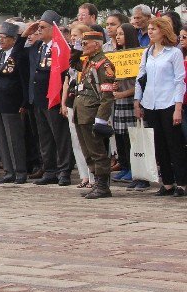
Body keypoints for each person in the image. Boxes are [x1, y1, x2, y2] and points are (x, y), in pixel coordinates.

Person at [134, 15, 187, 196]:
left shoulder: (174, 53)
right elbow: (140, 78)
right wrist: (137, 101)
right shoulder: (147, 52)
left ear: (163, 31)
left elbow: (180, 81)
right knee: (159, 144)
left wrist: (178, 107)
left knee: (174, 143)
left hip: (169, 102)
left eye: (154, 29)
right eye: (149, 29)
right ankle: (167, 182)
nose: (150, 32)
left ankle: (181, 182)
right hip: (151, 103)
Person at [25, 11, 74, 187]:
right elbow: (20, 51)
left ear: (54, 29)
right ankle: (50, 170)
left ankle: (64, 171)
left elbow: (66, 75)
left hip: (54, 98)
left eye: (43, 27)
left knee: (60, 136)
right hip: (39, 98)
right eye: (38, 27)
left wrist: (63, 100)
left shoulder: (60, 47)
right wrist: (27, 32)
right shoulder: (39, 47)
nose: (39, 30)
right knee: (44, 137)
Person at [71, 28, 117, 199]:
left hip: (92, 113)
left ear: (97, 45)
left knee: (97, 151)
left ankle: (103, 186)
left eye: (85, 43)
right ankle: (97, 183)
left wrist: (101, 119)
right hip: (81, 111)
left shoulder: (103, 64)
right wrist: (76, 47)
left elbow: (107, 95)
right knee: (87, 151)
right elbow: (72, 62)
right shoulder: (88, 62)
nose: (82, 46)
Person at [0, 22, 29, 184]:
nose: (2, 40)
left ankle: (20, 171)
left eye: (5, 38)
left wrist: (24, 102)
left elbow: (24, 80)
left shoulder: (19, 54)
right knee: (2, 138)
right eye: (0, 37)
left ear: (14, 40)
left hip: (13, 101)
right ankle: (8, 170)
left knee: (14, 138)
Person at [110, 23, 139, 182]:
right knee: (120, 136)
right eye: (117, 34)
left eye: (121, 34)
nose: (118, 36)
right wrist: (115, 85)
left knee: (130, 137)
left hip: (130, 100)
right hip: (118, 100)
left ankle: (135, 169)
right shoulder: (116, 54)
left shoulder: (137, 54)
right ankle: (125, 165)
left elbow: (138, 84)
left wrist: (123, 93)